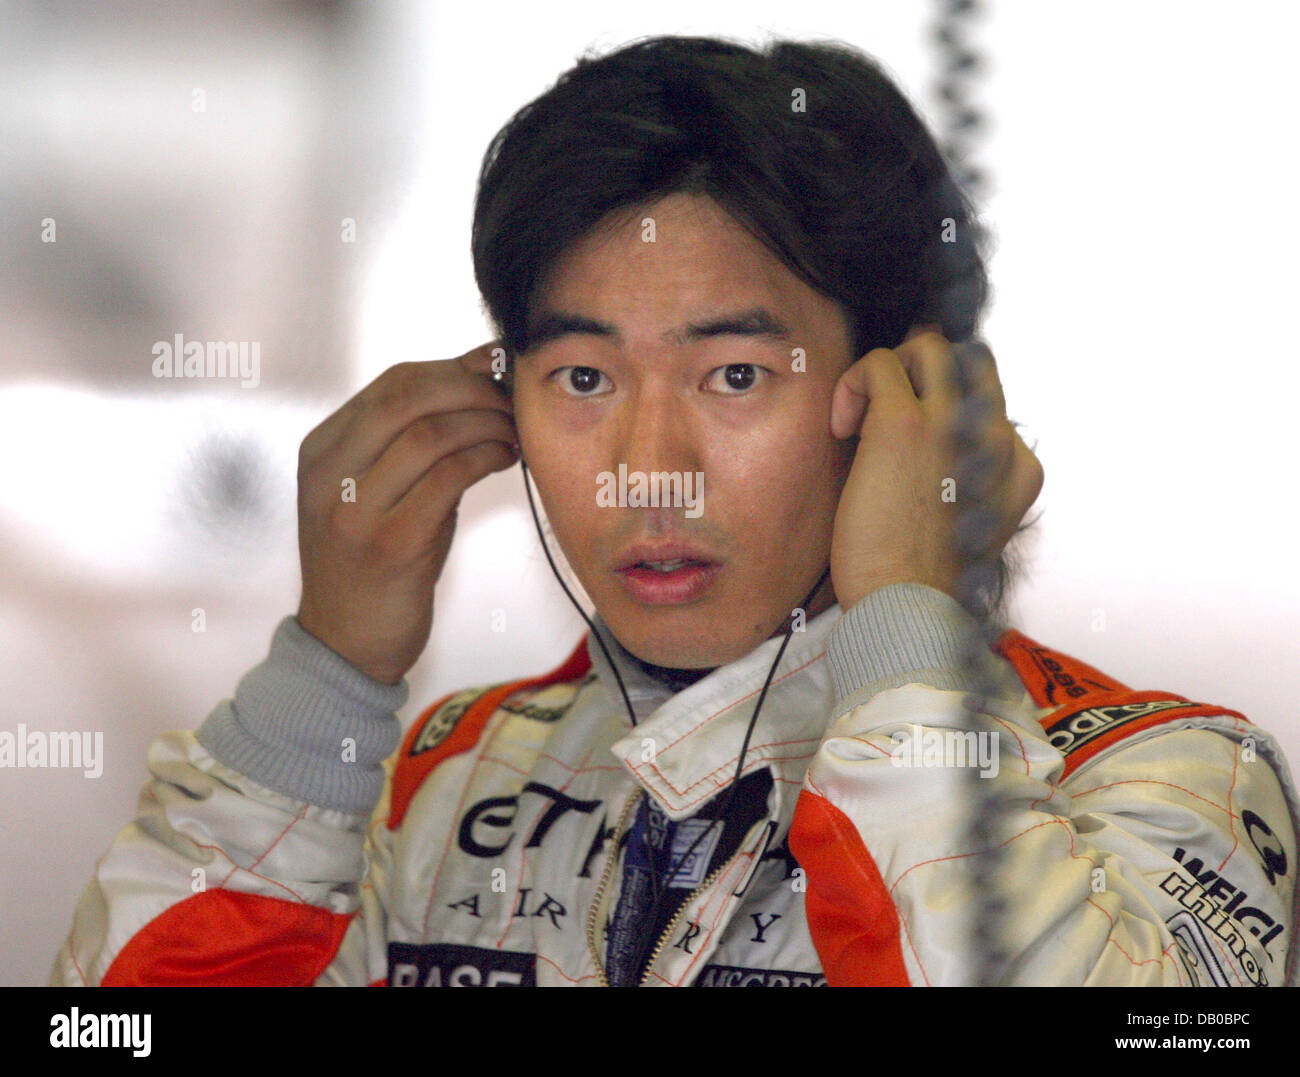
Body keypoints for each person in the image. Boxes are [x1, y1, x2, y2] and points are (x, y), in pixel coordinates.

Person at [52, 35, 1298, 987]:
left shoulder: (1168, 778)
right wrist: (321, 688)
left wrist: (908, 637)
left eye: (735, 375)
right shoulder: (444, 778)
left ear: (909, 400)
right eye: (584, 377)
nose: (650, 463)